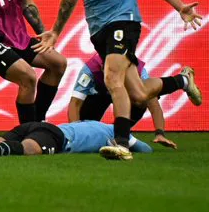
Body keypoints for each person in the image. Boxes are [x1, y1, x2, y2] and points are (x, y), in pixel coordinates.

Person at [33, 0, 202, 160]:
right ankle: (182, 80)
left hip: (124, 20)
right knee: (139, 92)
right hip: (97, 29)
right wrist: (55, 31)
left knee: (112, 77)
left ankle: (121, 142)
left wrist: (179, 6)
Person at [68, 52, 201, 149]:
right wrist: (75, 135)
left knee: (141, 98)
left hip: (126, 95)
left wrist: (160, 132)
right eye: (107, 71)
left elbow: (153, 104)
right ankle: (97, 135)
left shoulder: (138, 72)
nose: (111, 75)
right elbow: (75, 103)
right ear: (101, 67)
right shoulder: (89, 70)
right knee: (85, 124)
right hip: (98, 96)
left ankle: (120, 135)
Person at [0, 121, 153, 160]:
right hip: (58, 136)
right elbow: (144, 149)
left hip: (38, 125)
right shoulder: (118, 131)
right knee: (31, 149)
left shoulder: (94, 123)